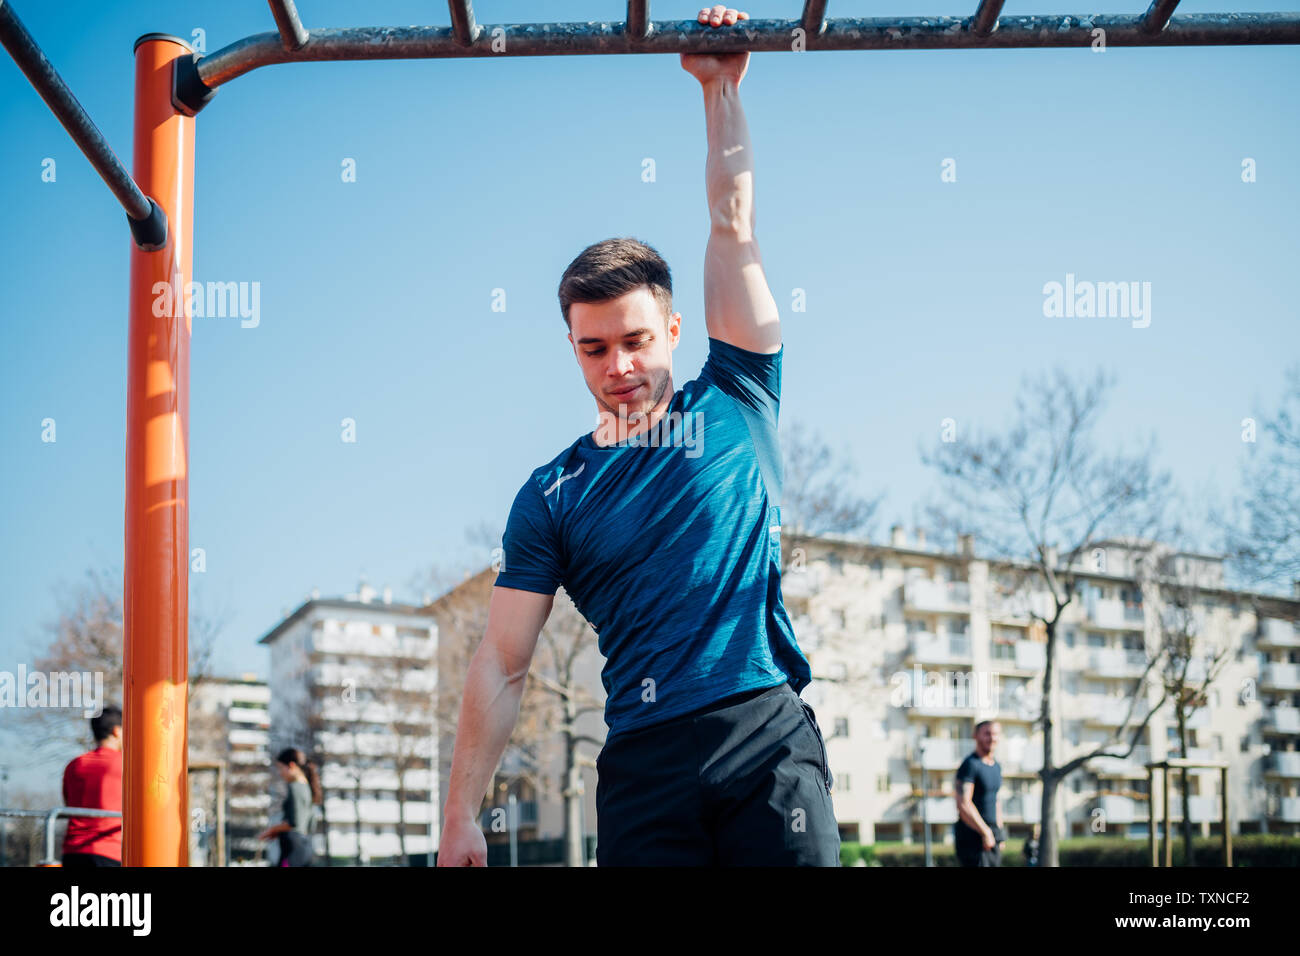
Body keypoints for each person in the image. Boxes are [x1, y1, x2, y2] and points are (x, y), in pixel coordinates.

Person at [437, 5, 839, 867]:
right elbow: (504, 662)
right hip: (643, 766)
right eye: (594, 347)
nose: (617, 364)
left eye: (636, 340)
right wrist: (460, 812)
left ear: (675, 330)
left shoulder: (736, 395)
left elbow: (733, 225)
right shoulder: (551, 496)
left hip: (764, 734)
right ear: (573, 349)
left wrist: (721, 89)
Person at [60, 705, 124, 867]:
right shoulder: (125, 764)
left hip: (73, 853)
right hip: (108, 851)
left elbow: (68, 805)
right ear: (116, 731)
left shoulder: (74, 765)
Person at [258, 747, 320, 867]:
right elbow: (308, 824)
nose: (280, 773)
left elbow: (293, 823)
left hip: (293, 850)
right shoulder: (308, 788)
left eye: (281, 768)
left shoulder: (295, 787)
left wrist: (272, 830)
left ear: (291, 766)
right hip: (303, 848)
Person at [954, 720, 1004, 867]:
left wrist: (999, 833)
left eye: (995, 734)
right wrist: (985, 832)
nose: (992, 738)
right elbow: (963, 804)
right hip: (972, 837)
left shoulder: (997, 766)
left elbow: (996, 800)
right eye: (987, 733)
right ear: (976, 736)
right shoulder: (970, 765)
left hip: (992, 833)